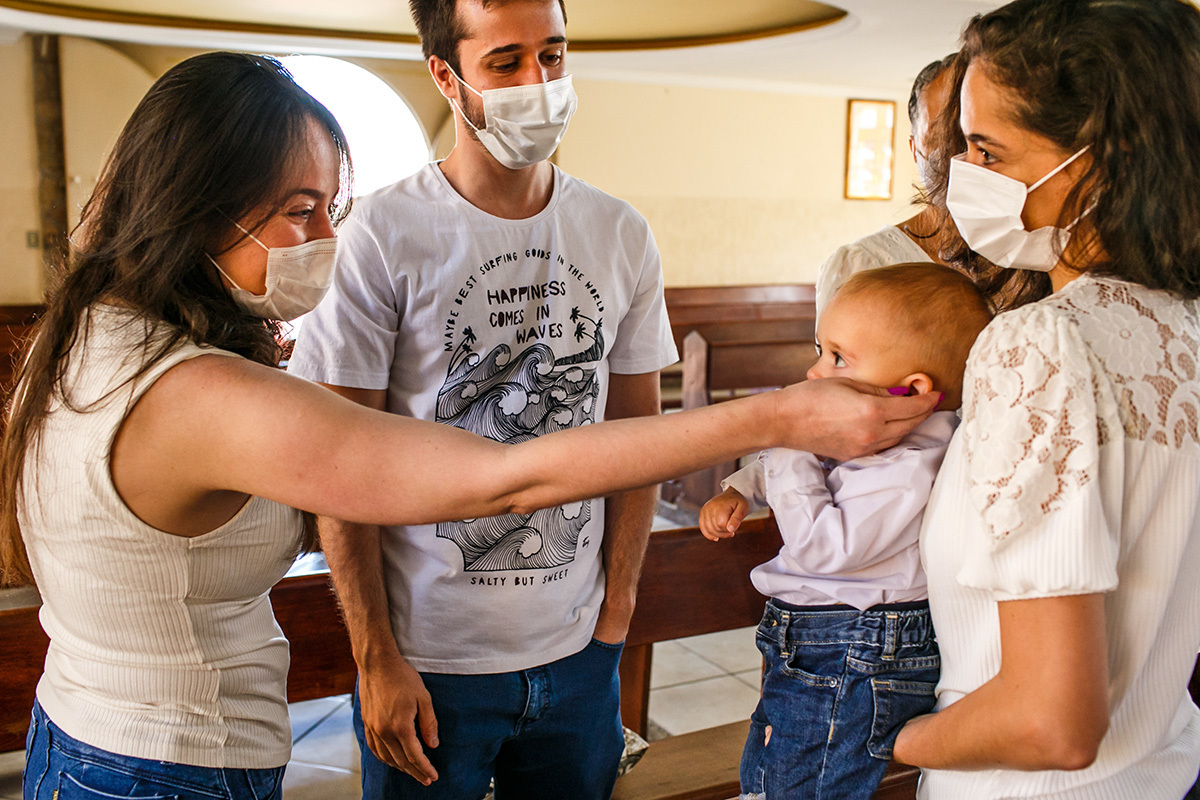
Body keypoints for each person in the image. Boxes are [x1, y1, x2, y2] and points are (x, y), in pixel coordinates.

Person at [0, 52, 942, 800]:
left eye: (331, 207)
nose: (324, 237)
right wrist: (779, 415)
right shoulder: (196, 393)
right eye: (298, 212)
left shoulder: (90, 331)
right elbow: (505, 479)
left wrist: (612, 604)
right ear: (196, 207)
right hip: (164, 766)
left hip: (91, 730)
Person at [285, 0, 676, 796]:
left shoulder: (619, 232)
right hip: (432, 661)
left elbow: (640, 430)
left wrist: (618, 610)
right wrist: (376, 656)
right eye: (506, 62)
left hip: (577, 654)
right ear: (446, 74)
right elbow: (340, 461)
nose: (539, 82)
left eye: (554, 54)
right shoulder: (381, 235)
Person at [888, 1, 1200, 799]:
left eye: (989, 150)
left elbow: (1048, 723)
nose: (968, 176)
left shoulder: (1041, 344)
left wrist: (903, 741)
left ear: (1104, 159)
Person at [699, 263, 992, 800]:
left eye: (837, 357)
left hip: (852, 647)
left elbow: (822, 549)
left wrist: (784, 435)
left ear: (913, 388)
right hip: (823, 640)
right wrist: (742, 487)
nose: (815, 371)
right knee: (770, 771)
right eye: (821, 349)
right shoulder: (875, 434)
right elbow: (803, 468)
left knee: (800, 787)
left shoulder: (910, 466)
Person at [814, 53, 956, 317]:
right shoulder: (865, 266)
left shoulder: (1031, 255)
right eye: (940, 137)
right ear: (915, 150)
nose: (958, 153)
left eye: (974, 137)